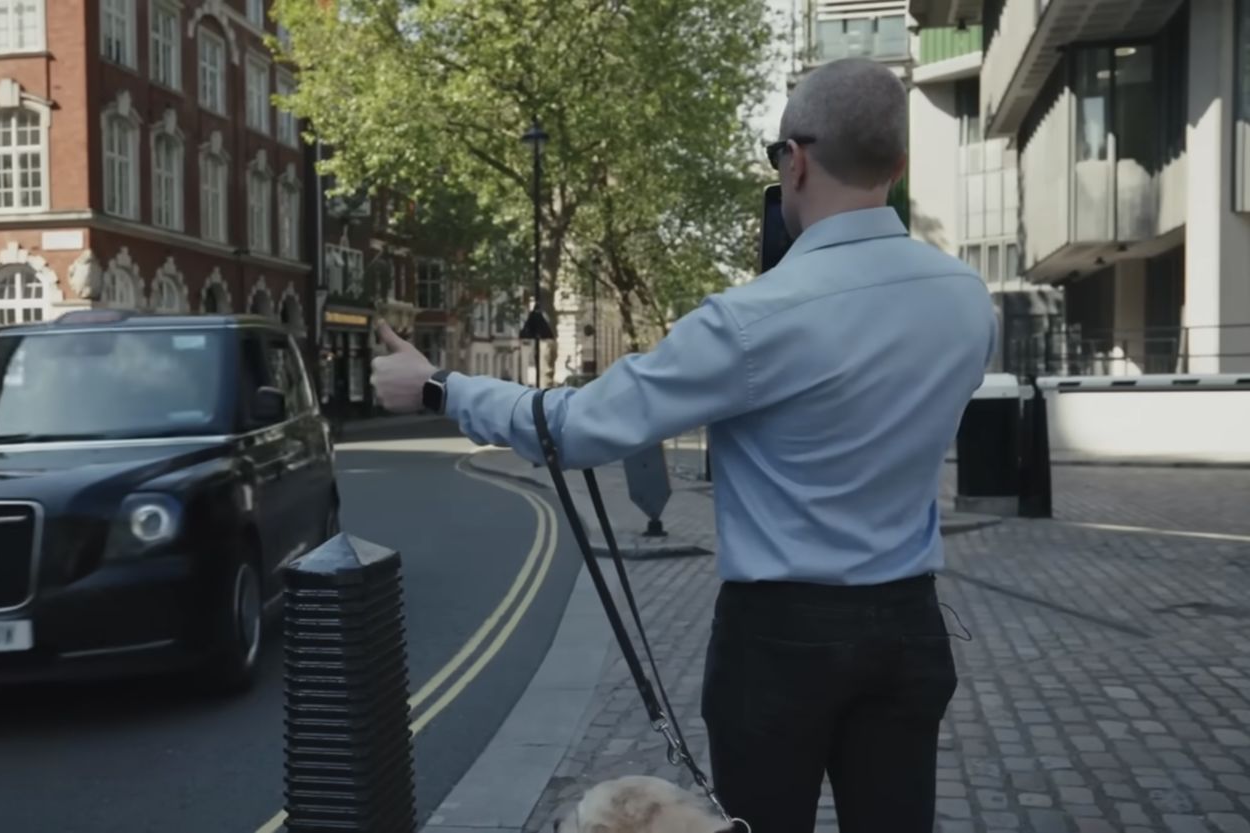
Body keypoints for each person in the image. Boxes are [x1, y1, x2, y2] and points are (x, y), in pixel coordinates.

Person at [371, 56, 996, 833]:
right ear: (897, 167)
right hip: (909, 626)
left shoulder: (753, 319)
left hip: (780, 640)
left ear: (794, 161)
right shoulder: (969, 302)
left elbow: (575, 426)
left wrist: (436, 386)